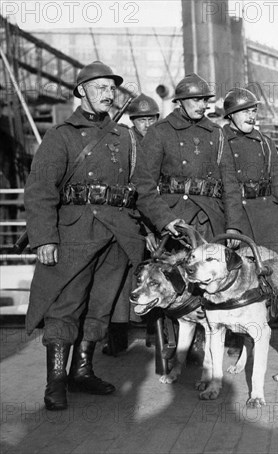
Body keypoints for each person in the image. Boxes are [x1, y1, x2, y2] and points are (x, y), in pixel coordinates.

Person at [24, 61, 145, 410]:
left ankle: (82, 371)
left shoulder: (125, 137)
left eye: (112, 88)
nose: (108, 94)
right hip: (75, 234)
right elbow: (41, 189)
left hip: (116, 236)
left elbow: (141, 188)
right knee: (66, 307)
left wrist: (159, 224)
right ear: (81, 91)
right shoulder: (60, 135)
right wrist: (44, 238)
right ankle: (56, 382)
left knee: (100, 307)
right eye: (100, 87)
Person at [132, 73, 243, 243]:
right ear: (181, 101)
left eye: (205, 100)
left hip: (211, 220)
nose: (202, 105)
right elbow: (145, 185)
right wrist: (151, 228)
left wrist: (233, 225)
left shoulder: (216, 133)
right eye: (196, 100)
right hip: (174, 222)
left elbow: (230, 184)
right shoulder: (160, 131)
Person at [102, 93, 162, 357]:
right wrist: (146, 230)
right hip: (132, 221)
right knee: (121, 280)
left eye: (151, 119)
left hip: (158, 219)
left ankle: (155, 335)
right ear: (132, 121)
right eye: (141, 120)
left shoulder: (160, 143)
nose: (147, 124)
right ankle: (116, 339)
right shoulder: (127, 144)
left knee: (158, 279)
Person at [222, 87, 278, 255]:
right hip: (238, 220)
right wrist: (232, 225)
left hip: (270, 221)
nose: (251, 117)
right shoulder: (219, 141)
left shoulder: (266, 143)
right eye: (245, 112)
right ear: (231, 114)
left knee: (275, 271)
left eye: (253, 111)